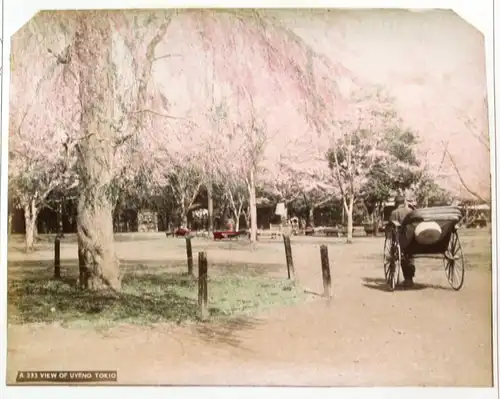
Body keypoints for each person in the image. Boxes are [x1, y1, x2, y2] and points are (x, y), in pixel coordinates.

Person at [389, 195, 415, 287]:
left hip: (402, 239)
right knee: (410, 257)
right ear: (404, 202)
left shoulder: (394, 213)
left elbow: (390, 228)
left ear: (396, 203)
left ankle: (407, 279)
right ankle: (409, 278)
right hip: (414, 239)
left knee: (403, 255)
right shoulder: (412, 211)